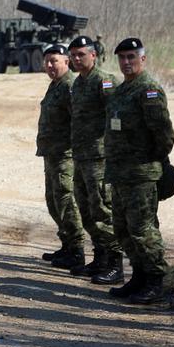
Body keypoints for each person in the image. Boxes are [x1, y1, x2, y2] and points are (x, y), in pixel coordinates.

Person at [104, 38, 174, 303]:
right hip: (120, 174)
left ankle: (154, 280)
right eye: (122, 58)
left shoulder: (149, 90)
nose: (126, 62)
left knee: (143, 229)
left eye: (131, 57)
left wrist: (152, 162)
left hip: (141, 174)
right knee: (122, 229)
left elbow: (164, 135)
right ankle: (139, 276)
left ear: (143, 59)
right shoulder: (121, 91)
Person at [67, 35, 122, 283]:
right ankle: (99, 259)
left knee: (102, 209)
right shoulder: (78, 83)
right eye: (74, 55)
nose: (77, 59)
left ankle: (115, 264)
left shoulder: (105, 81)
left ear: (93, 55)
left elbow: (116, 115)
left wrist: (114, 147)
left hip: (100, 158)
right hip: (80, 156)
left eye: (82, 54)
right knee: (86, 209)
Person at [36, 44, 86, 269]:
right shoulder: (55, 85)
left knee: (66, 201)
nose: (49, 65)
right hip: (52, 154)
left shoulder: (70, 86)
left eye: (54, 60)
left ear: (67, 61)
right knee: (54, 201)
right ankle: (67, 245)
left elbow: (78, 121)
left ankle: (76, 250)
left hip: (66, 155)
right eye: (46, 61)